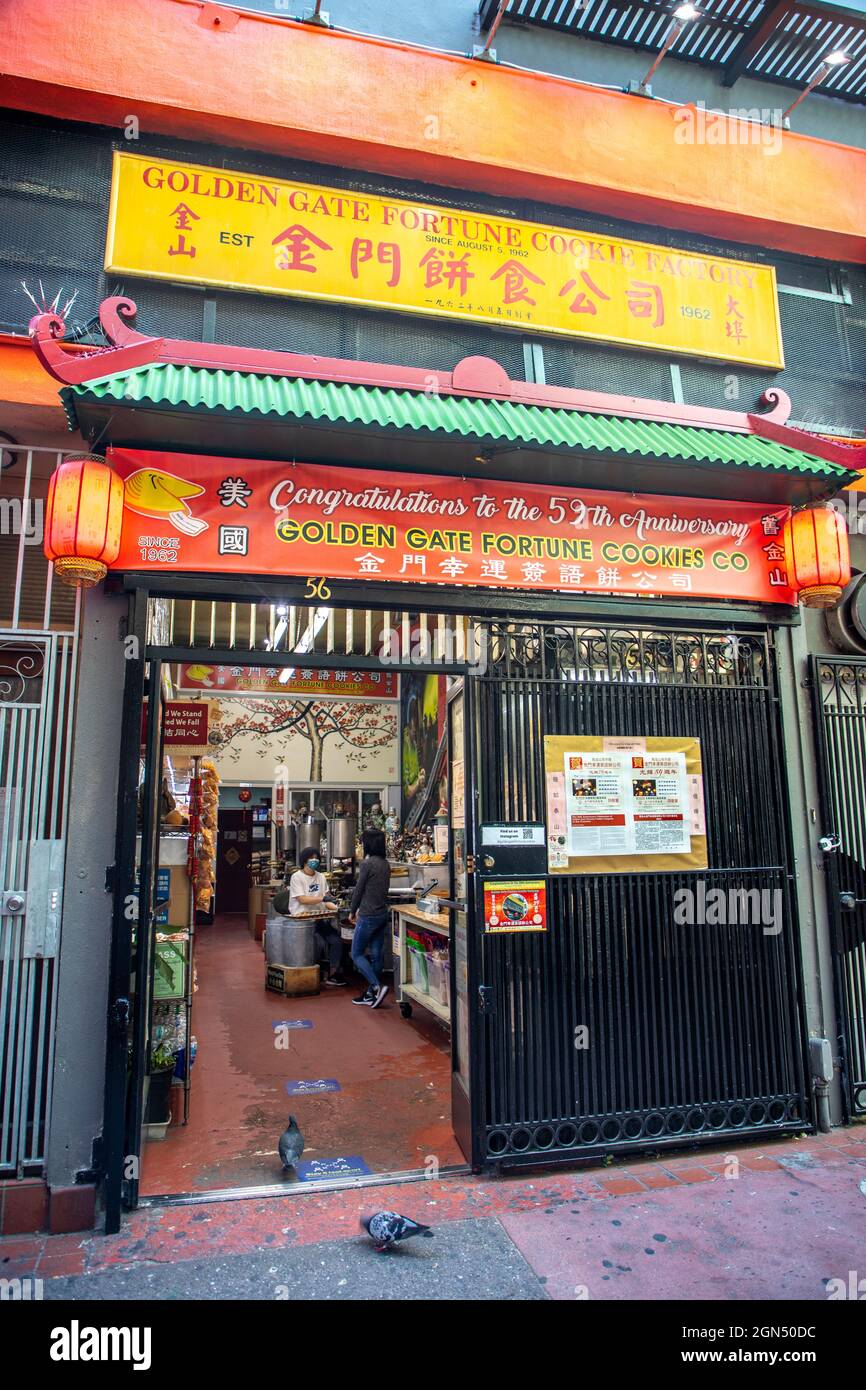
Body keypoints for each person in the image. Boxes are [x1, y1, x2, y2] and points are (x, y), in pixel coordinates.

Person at [287, 846, 346, 987]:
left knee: (337, 941)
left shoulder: (320, 877)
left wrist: (337, 908)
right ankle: (312, 973)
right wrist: (322, 899)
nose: (314, 861)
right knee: (317, 943)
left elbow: (327, 901)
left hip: (319, 919)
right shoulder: (297, 877)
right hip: (302, 921)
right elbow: (302, 899)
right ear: (304, 860)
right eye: (311, 858)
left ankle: (333, 974)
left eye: (316, 858)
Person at [349, 829, 391, 1008]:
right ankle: (370, 995)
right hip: (382, 914)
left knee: (356, 953)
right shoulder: (385, 864)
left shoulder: (367, 864)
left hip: (368, 915)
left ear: (369, 844)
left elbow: (359, 890)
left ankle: (376, 986)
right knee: (376, 955)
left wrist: (352, 911)